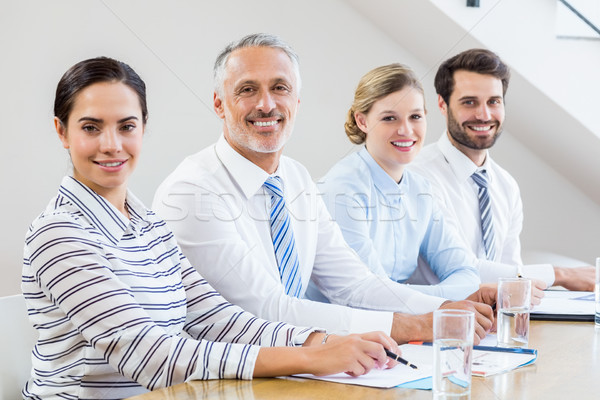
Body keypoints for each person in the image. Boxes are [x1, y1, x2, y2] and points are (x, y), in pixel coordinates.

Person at [21, 57, 402, 400]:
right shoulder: (58, 235)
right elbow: (153, 356)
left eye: (126, 126)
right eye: (91, 127)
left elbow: (216, 319)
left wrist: (323, 339)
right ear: (62, 132)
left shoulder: (148, 226)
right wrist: (308, 356)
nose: (111, 144)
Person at [152, 33, 495, 347]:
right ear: (218, 104)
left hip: (296, 367)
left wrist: (446, 309)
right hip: (223, 377)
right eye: (247, 90)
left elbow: (353, 283)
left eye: (280, 88)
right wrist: (409, 326)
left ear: (297, 102)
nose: (267, 104)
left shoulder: (295, 178)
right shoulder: (192, 192)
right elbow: (267, 311)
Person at [408, 48, 595, 292]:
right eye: (469, 102)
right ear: (442, 105)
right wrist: (559, 274)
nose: (484, 115)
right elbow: (460, 270)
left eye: (493, 101)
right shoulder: (418, 177)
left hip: (493, 325)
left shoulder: (505, 185)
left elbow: (513, 282)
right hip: (436, 324)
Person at [317, 63, 480, 301]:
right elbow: (369, 293)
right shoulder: (342, 188)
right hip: (342, 329)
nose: (406, 130)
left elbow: (466, 273)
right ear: (362, 121)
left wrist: (433, 299)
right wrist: (446, 298)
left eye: (415, 117)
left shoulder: (421, 189)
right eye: (389, 118)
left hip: (402, 324)